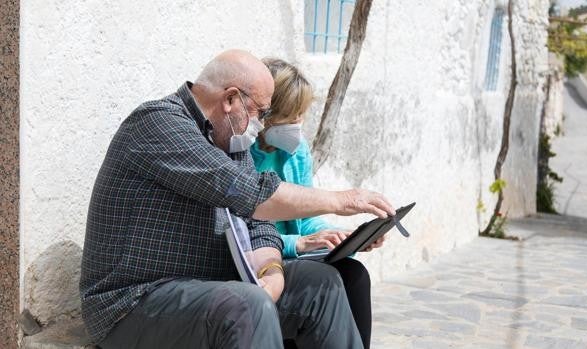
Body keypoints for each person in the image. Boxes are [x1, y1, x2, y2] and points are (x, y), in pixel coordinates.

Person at [79, 49, 395, 349]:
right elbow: (249, 193)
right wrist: (342, 201)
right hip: (133, 303)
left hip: (210, 289)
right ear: (230, 99)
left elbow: (257, 222)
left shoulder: (232, 142)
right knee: (247, 304)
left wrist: (272, 269)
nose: (259, 123)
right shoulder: (158, 123)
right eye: (259, 111)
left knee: (321, 284)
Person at [250, 58, 383, 349]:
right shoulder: (243, 157)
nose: (298, 124)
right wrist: (299, 243)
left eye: (301, 115)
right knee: (322, 282)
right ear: (268, 115)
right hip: (267, 259)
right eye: (292, 116)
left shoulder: (296, 152)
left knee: (355, 274)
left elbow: (307, 215)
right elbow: (244, 234)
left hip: (299, 252)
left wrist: (336, 237)